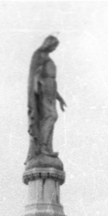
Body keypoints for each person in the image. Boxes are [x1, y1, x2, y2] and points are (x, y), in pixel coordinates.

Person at [26, 35, 66, 163]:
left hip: (50, 88)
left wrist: (59, 98)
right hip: (45, 89)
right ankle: (43, 147)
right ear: (48, 44)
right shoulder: (39, 55)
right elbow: (36, 75)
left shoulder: (46, 56)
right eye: (54, 46)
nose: (54, 49)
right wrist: (40, 86)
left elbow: (50, 80)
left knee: (50, 117)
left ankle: (47, 147)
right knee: (51, 116)